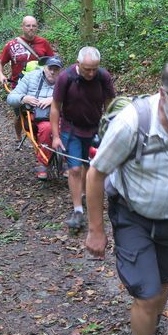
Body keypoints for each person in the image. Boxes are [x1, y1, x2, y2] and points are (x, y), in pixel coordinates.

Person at [85, 60, 168, 335]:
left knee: (163, 283)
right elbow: (96, 173)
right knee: (148, 292)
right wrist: (96, 229)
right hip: (133, 216)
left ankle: (150, 329)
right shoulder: (130, 124)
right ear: (163, 95)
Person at [50, 46, 115, 230]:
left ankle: (86, 195)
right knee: (75, 168)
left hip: (95, 128)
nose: (91, 73)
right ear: (78, 64)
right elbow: (55, 107)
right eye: (87, 69)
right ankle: (78, 210)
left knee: (91, 165)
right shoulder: (66, 78)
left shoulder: (103, 77)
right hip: (71, 129)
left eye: (95, 68)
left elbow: (111, 103)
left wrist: (111, 125)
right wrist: (55, 136)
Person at [0, 16, 54, 143]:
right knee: (20, 115)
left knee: (41, 113)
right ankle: (18, 135)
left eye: (34, 26)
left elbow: (52, 62)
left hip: (41, 85)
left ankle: (41, 138)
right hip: (19, 86)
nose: (31, 28)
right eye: (28, 25)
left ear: (37, 27)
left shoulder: (43, 43)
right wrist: (1, 75)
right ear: (22, 27)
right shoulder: (12, 45)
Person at [6, 57, 64, 179]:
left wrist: (55, 100)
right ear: (44, 68)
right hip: (36, 115)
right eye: (50, 68)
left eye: (56, 69)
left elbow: (74, 98)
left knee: (70, 127)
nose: (52, 72)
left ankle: (66, 161)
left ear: (60, 70)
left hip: (60, 113)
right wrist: (23, 98)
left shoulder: (65, 80)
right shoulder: (31, 77)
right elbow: (11, 98)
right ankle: (43, 162)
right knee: (47, 128)